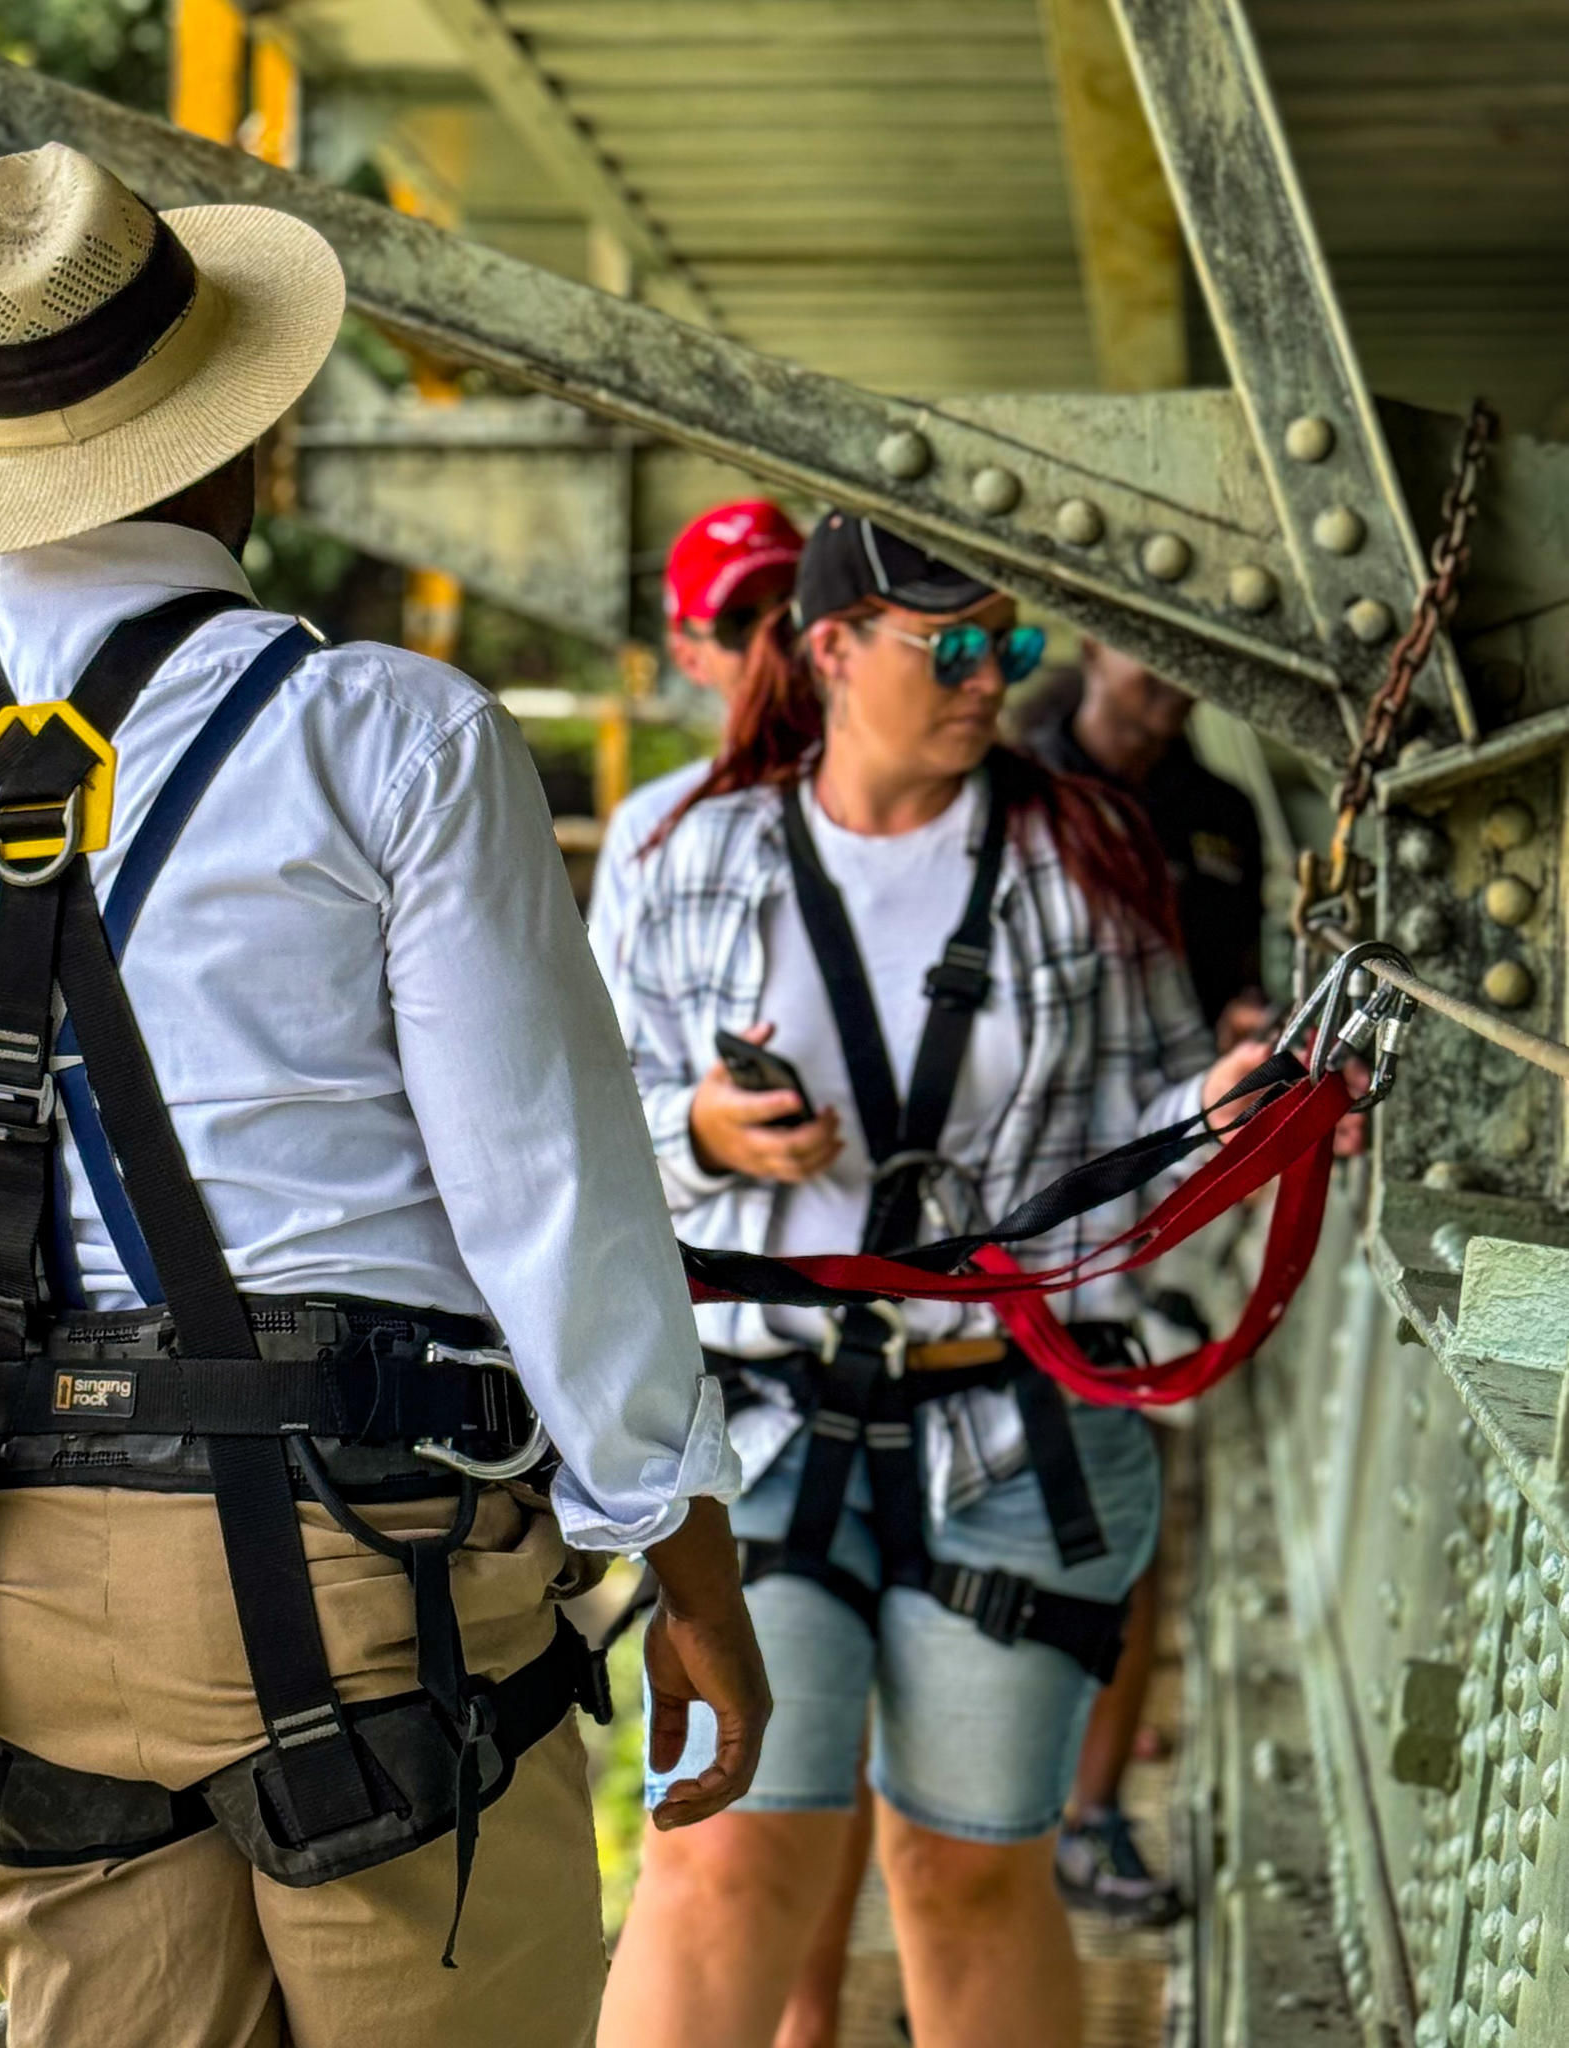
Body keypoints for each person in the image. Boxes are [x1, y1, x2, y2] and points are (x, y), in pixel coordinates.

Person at [0, 144, 768, 2048]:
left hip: (25, 1573)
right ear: (241, 436)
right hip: (379, 1566)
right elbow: (544, 1189)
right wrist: (678, 1545)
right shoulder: (391, 732)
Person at [596, 512, 1271, 2048]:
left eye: (1010, 648)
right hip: (761, 1440)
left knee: (965, 1876)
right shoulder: (684, 852)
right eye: (952, 647)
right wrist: (696, 1132)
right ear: (832, 648)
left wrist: (1228, 1117)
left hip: (1004, 1436)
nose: (990, 681)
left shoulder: (1087, 859)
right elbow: (569, 1135)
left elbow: (1142, 1143)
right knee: (720, 1860)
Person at [1013, 642, 1270, 1926]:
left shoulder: (1213, 816)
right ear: (1094, 647)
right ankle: (985, 1838)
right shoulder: (1006, 783)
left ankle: (1089, 1814)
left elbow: (1230, 995)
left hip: (1137, 1224)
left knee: (1123, 1528)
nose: (1164, 709)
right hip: (984, 1250)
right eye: (1146, 681)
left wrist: (1242, 1046)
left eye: (1185, 690)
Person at [586, 498, 803, 990]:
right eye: (741, 623)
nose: (775, 642)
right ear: (689, 658)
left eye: (794, 611)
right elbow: (619, 1036)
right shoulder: (653, 831)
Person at [1016, 644, 1268, 1045]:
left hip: (1196, 1080)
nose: (1179, 676)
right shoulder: (1021, 792)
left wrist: (1242, 1017)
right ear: (1092, 647)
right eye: (1154, 650)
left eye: (1192, 655)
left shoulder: (1224, 810)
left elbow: (1243, 962)